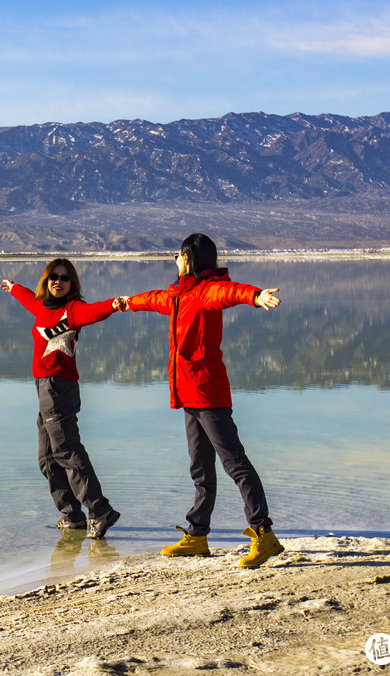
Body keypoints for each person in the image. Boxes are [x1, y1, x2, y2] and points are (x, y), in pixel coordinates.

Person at [115, 233, 284, 568]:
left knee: (234, 463)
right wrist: (127, 302)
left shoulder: (207, 291)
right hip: (189, 393)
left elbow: (230, 292)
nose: (175, 259)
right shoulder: (179, 295)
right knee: (200, 467)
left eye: (178, 255)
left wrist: (255, 296)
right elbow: (154, 299)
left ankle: (264, 534)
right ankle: (197, 535)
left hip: (208, 391)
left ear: (189, 258)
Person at [1, 259, 122, 540]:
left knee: (67, 450)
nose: (58, 282)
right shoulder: (42, 306)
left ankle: (100, 511)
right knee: (47, 458)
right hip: (43, 388)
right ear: (46, 280)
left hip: (60, 388)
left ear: (72, 283)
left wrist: (115, 304)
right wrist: (13, 287)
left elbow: (96, 311)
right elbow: (28, 298)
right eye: (53, 277)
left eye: (64, 278)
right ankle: (72, 515)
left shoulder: (74, 310)